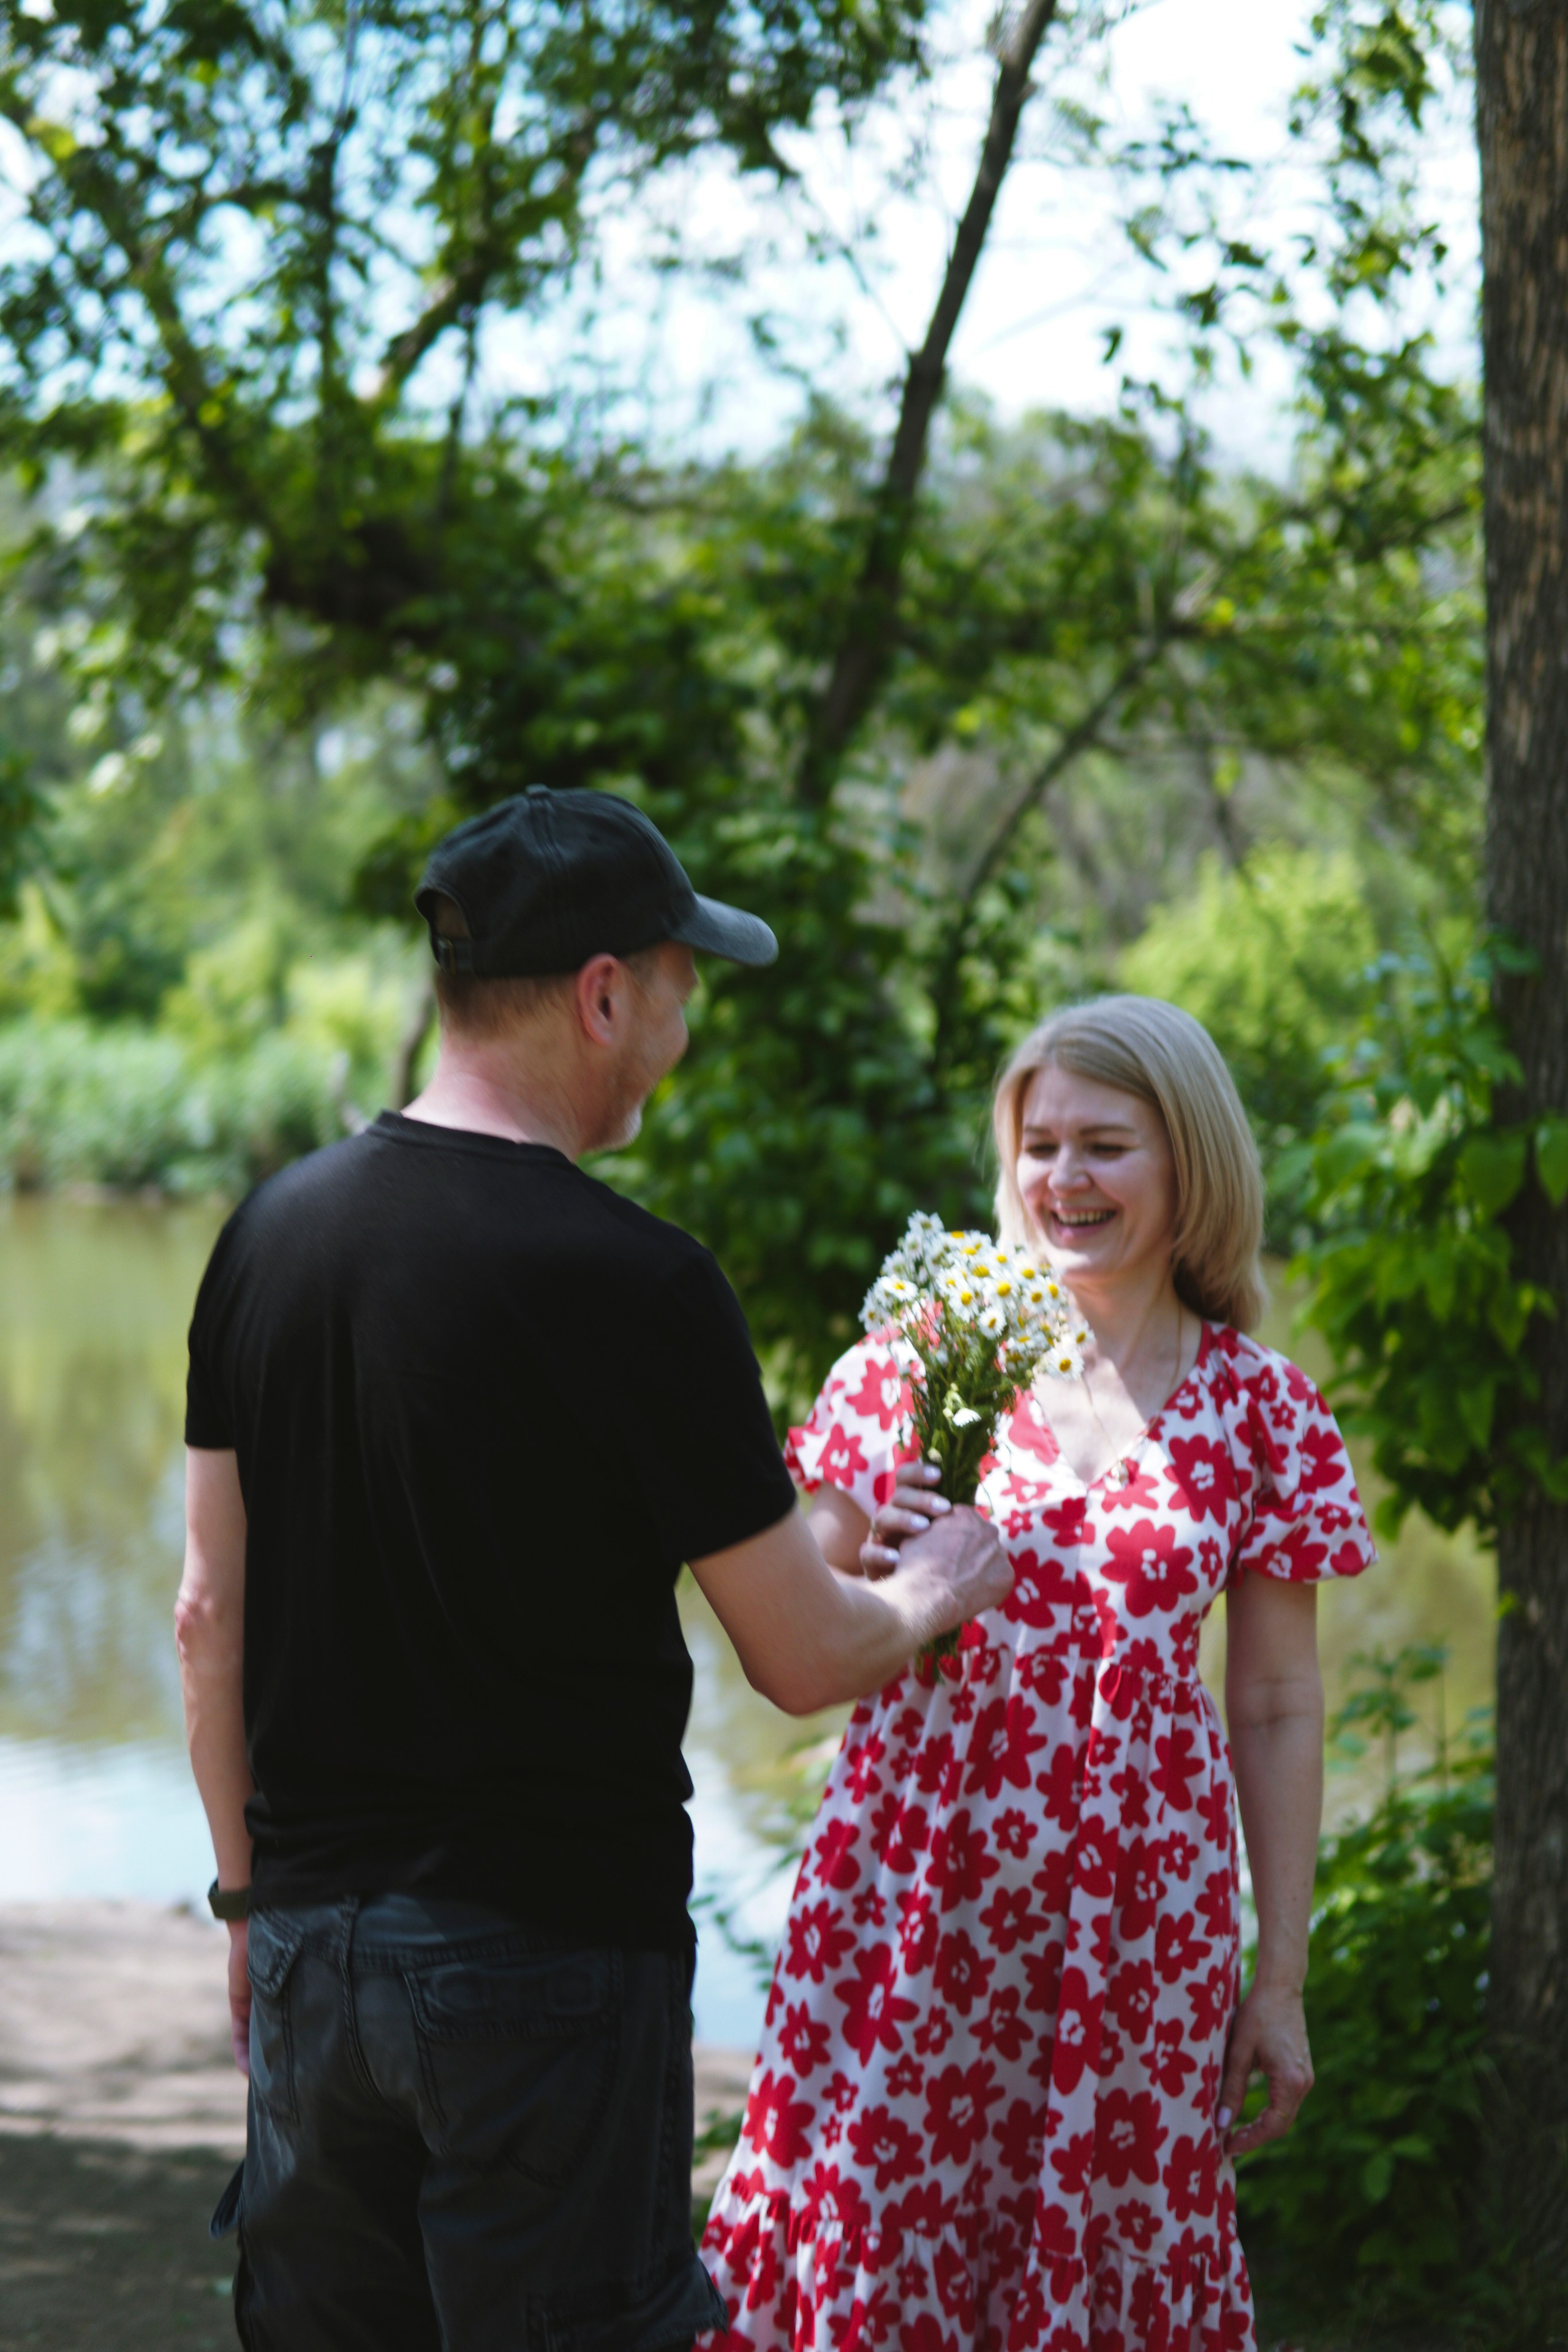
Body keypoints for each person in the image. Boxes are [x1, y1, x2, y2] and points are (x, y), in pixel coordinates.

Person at [173, 785, 1011, 2352]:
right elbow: (804, 1658)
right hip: (543, 1961)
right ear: (602, 992)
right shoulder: (641, 1285)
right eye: (682, 984)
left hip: (305, 1950)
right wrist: (939, 1583)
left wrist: (247, 1903)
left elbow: (206, 1617)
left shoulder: (265, 1236)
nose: (685, 1025)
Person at [699, 995, 1376, 2352]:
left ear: (1189, 1162)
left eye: (1105, 1146)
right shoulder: (926, 1363)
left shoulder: (1262, 1411)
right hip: (911, 1910)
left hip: (1137, 1934)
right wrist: (878, 1577)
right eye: (1039, 1144)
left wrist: (1279, 1978)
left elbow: (1275, 1701)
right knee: (883, 2234)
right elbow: (790, 1631)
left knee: (1107, 2249)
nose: (1062, 1179)